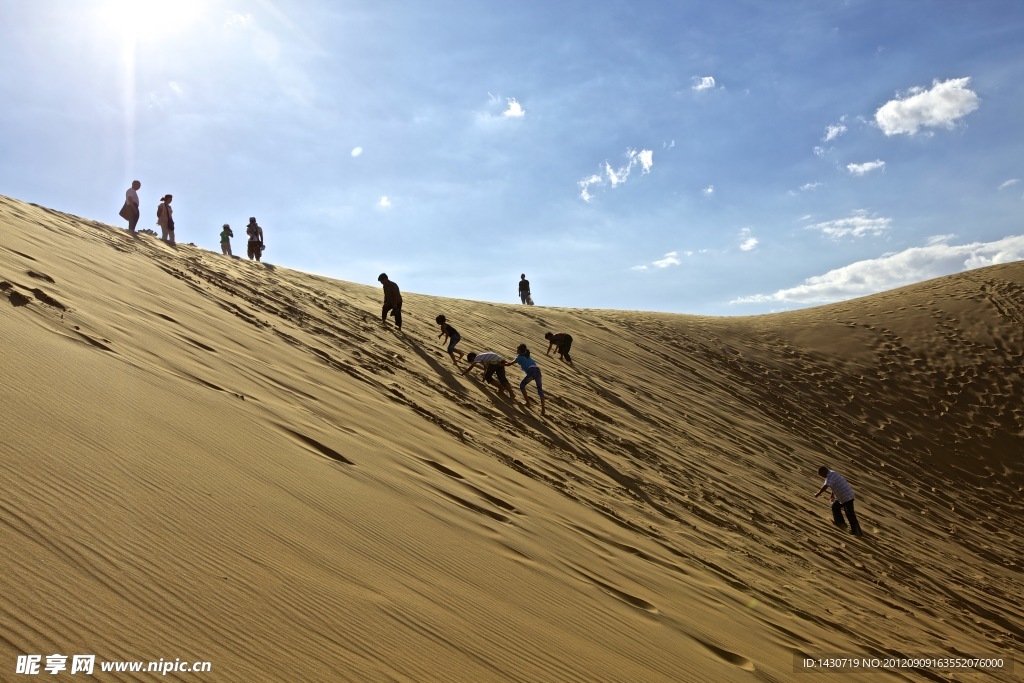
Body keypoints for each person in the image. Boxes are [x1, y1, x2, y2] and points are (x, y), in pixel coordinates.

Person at [814, 466, 863, 536]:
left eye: (821, 475)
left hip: (846, 497)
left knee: (850, 515)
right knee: (835, 507)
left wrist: (818, 493)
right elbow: (834, 485)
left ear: (824, 472)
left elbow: (826, 486)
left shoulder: (829, 477)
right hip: (845, 496)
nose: (822, 477)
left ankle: (857, 532)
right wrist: (832, 494)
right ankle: (841, 524)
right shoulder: (832, 473)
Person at [506, 344, 545, 415]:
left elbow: (510, 364)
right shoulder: (527, 355)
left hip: (531, 371)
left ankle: (528, 403)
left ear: (520, 351)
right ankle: (543, 410)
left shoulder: (519, 357)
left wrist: (502, 364)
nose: (516, 350)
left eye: (517, 349)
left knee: (522, 385)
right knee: (540, 390)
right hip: (537, 370)